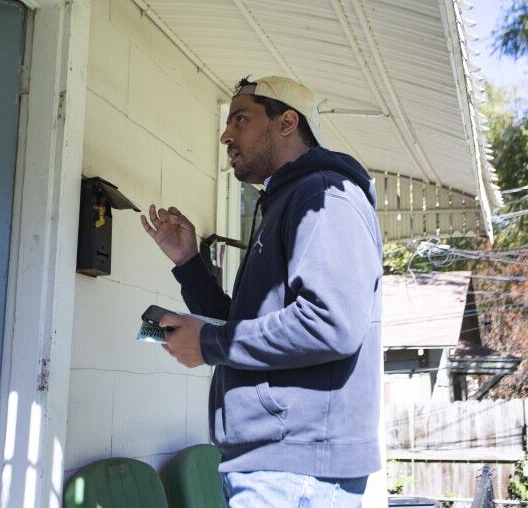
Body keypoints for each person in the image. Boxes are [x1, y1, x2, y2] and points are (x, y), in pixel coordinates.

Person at [141, 75, 384, 507]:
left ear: (287, 122)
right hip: (271, 466)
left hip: (296, 470)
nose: (225, 136)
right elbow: (246, 325)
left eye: (240, 119)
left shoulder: (325, 195)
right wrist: (189, 264)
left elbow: (332, 324)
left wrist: (209, 343)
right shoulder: (285, 202)